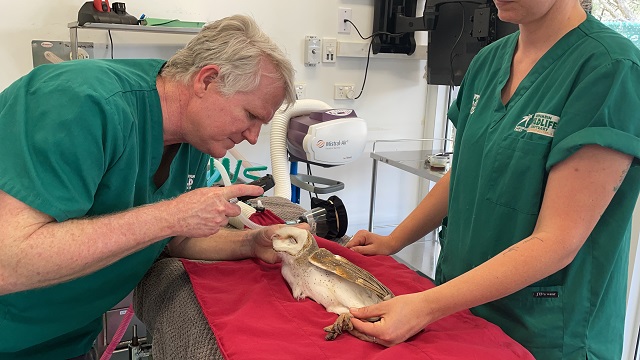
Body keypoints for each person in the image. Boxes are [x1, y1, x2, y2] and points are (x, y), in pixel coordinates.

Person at [346, 1, 640, 358]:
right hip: (459, 309)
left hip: (544, 333)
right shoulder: (488, 62)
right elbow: (465, 172)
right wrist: (394, 241)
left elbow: (558, 241)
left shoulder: (609, 70)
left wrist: (425, 305)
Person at [0, 14, 296, 359]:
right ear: (208, 80)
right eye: (251, 115)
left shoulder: (192, 138)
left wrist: (249, 242)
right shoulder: (79, 102)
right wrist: (172, 215)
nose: (253, 135)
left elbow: (176, 237)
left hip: (68, 338)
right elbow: (10, 262)